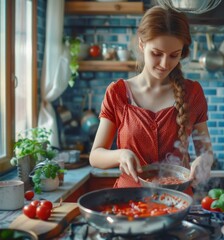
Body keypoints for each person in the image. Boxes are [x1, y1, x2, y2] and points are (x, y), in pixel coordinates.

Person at [89, 5, 213, 193]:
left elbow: (206, 152)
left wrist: (203, 161)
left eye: (174, 55)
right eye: (156, 53)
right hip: (129, 201)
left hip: (178, 200)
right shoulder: (118, 92)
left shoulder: (193, 92)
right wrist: (121, 154)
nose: (165, 64)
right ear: (142, 44)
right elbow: (96, 156)